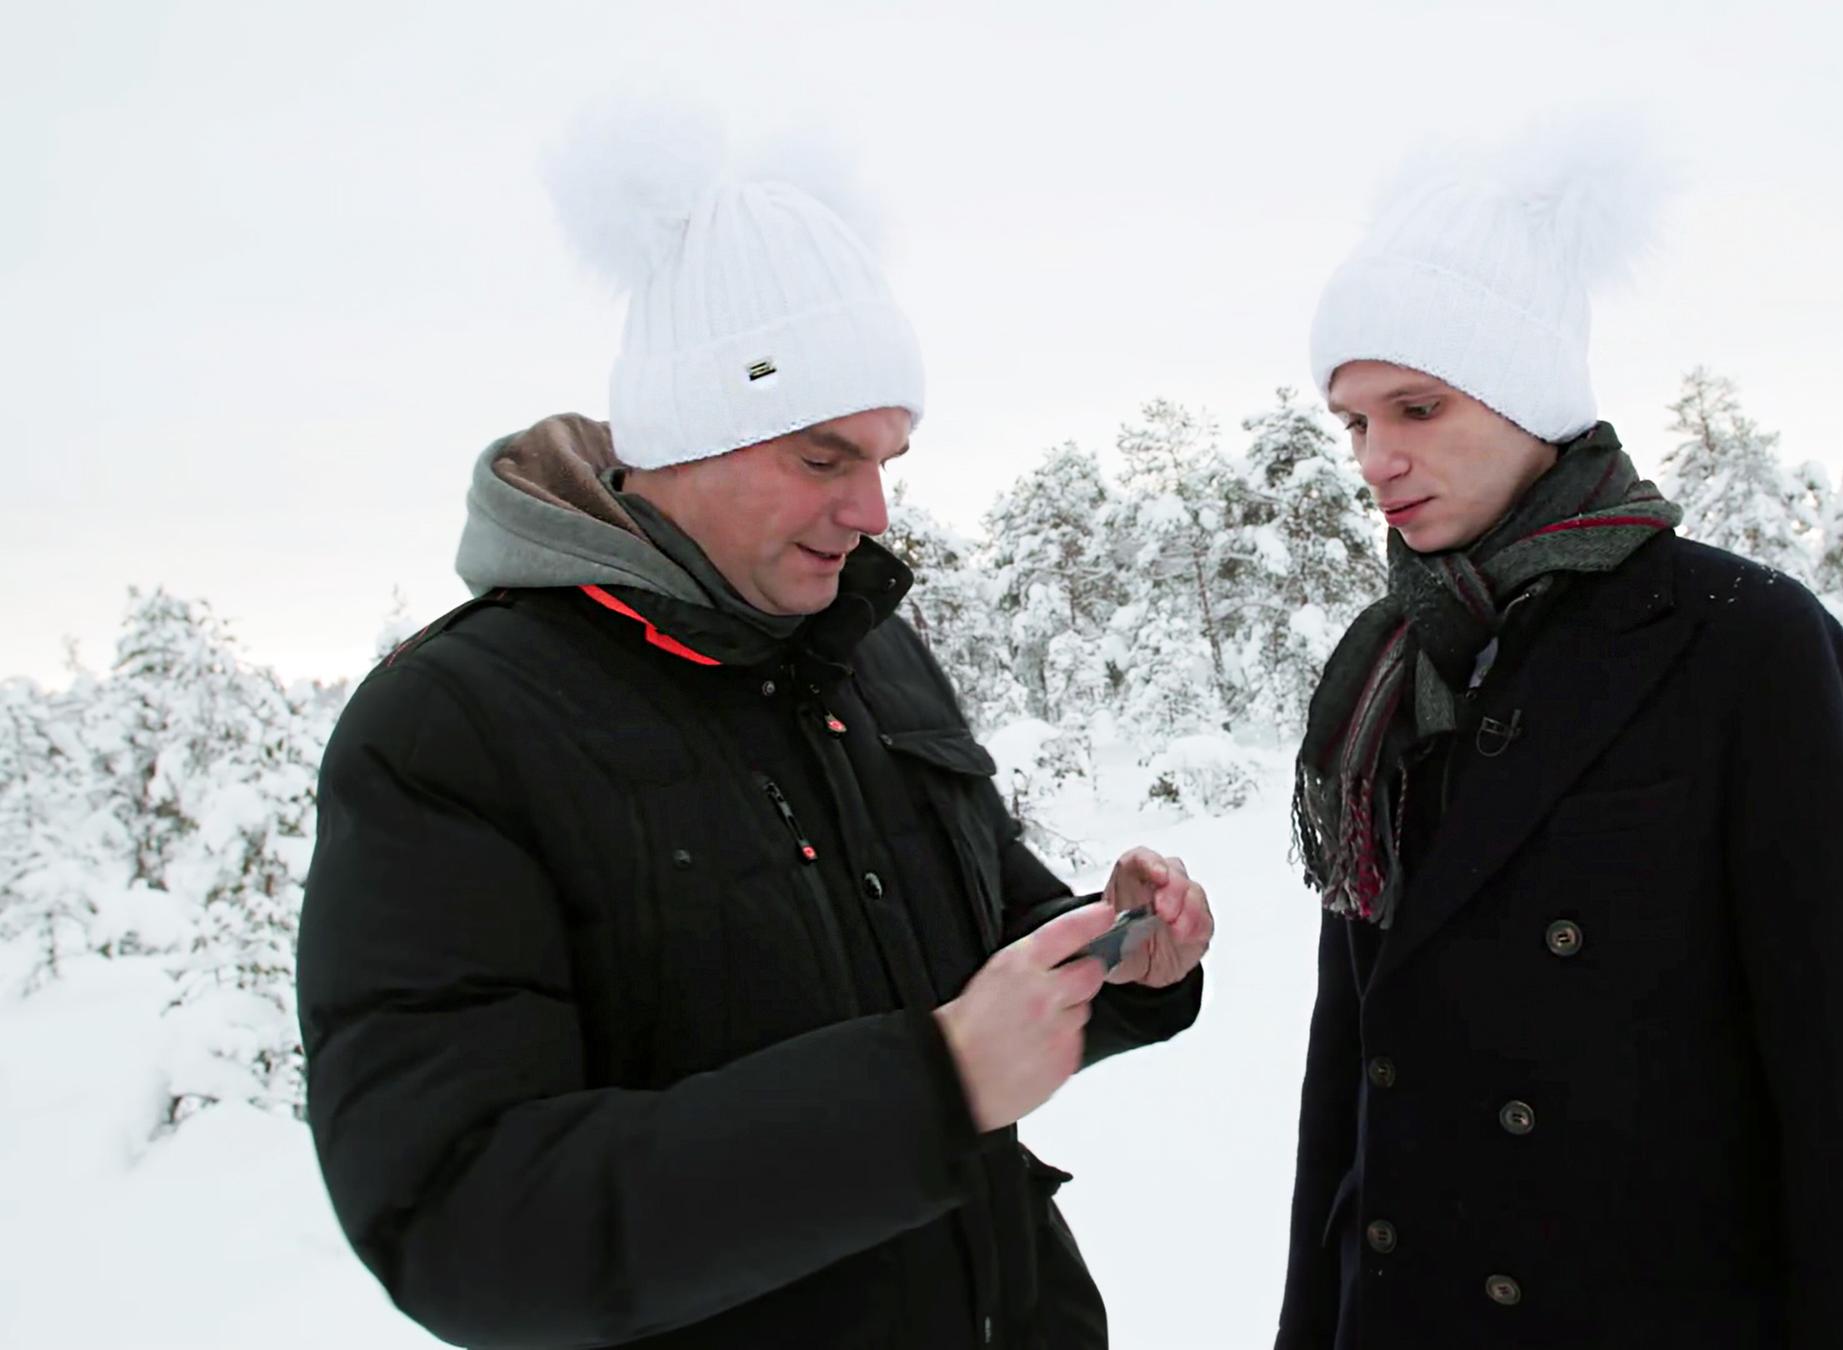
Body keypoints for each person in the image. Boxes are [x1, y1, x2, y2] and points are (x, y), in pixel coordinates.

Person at [296, 99, 1211, 1350]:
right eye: (825, 459)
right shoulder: (454, 729)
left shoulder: (867, 656)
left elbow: (976, 947)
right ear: (684, 436)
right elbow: (461, 1219)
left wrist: (1115, 954)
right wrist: (932, 1086)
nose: (875, 510)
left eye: (888, 459)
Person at [1276, 122, 1843, 1348]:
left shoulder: (1743, 644)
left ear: (1527, 392)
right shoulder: (1392, 670)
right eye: (1354, 423)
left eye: (1416, 407)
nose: (1377, 459)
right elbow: (1351, 1075)